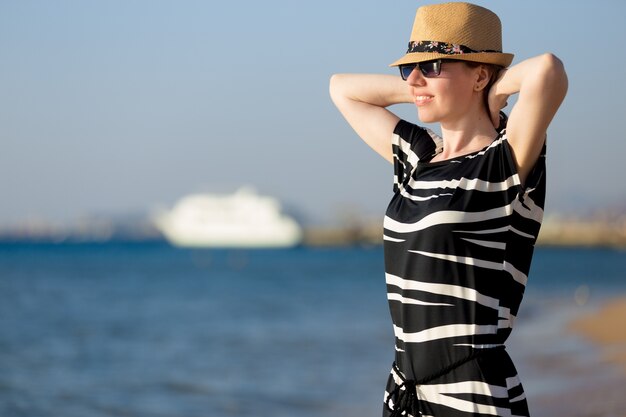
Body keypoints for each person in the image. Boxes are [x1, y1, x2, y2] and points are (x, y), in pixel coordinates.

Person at [329, 2, 567, 416]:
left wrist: (494, 89)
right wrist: (427, 86)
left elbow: (548, 70)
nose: (416, 77)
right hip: (405, 392)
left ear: (479, 74)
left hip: (473, 394)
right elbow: (340, 88)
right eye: (410, 67)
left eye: (435, 64)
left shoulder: (503, 160)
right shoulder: (417, 159)